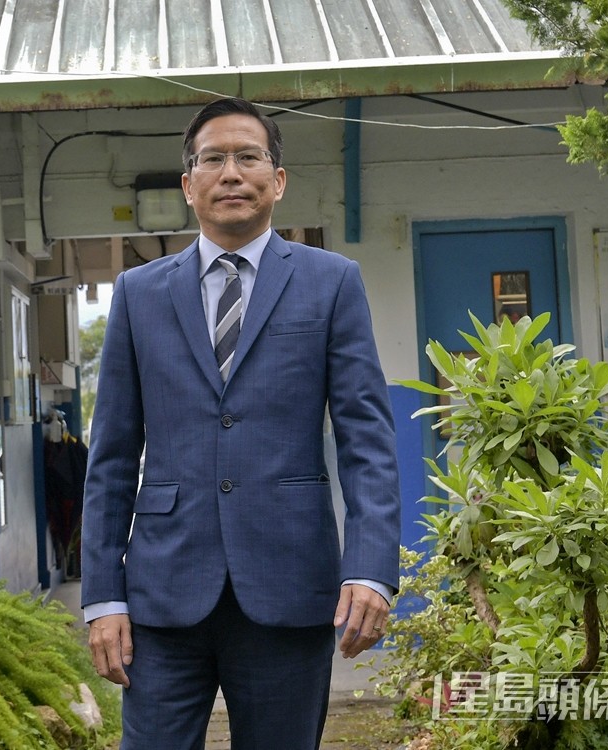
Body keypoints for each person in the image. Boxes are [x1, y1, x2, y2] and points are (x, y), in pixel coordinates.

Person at [80, 97, 401, 749]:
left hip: (290, 585)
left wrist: (370, 569)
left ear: (277, 180)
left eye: (248, 157)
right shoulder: (140, 294)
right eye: (213, 159)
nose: (231, 173)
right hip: (163, 596)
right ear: (188, 184)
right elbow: (111, 455)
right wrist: (103, 596)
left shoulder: (331, 283)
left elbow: (367, 440)